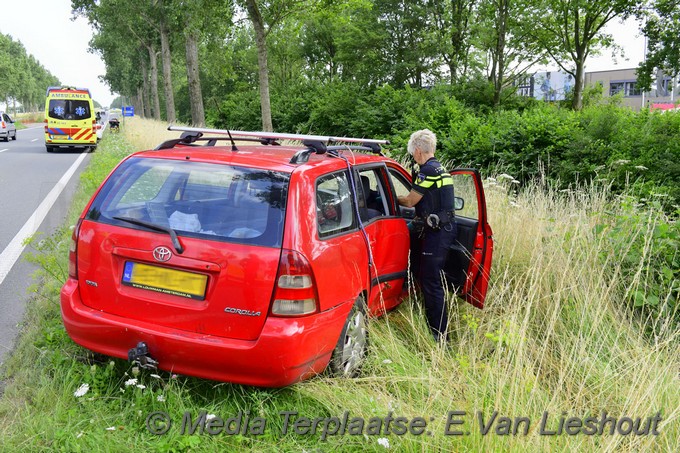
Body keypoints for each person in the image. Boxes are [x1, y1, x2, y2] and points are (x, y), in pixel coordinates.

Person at [397, 129, 456, 343]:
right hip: (443, 228)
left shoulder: (427, 171)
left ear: (419, 151)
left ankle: (440, 335)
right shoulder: (441, 168)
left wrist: (390, 198)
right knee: (428, 277)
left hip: (438, 232)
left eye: (414, 153)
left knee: (431, 281)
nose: (414, 157)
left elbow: (411, 201)